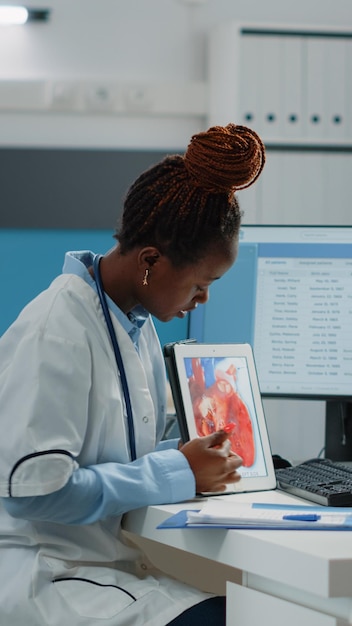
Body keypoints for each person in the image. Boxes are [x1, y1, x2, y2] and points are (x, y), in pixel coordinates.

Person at [0, 122, 265, 626]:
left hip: (102, 566)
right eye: (201, 284)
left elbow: (116, 455)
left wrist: (196, 455)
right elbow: (36, 492)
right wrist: (180, 470)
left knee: (249, 610)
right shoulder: (58, 328)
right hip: (44, 578)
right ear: (151, 261)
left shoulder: (132, 322)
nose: (203, 300)